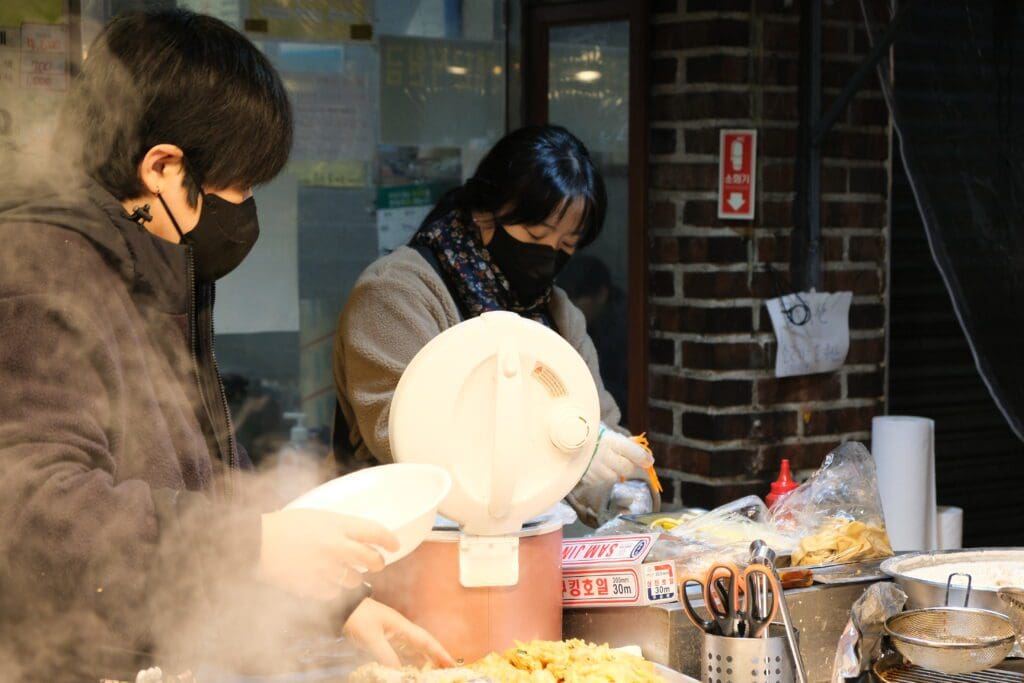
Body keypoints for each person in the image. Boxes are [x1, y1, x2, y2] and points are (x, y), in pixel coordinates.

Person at [0, 10, 451, 680]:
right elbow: (36, 512)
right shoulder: (41, 269)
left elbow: (208, 474)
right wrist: (255, 544)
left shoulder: (153, 266)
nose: (244, 208)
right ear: (162, 167)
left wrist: (339, 601)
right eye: (238, 184)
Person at [333, 125, 659, 527]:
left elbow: (600, 427)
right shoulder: (397, 294)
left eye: (565, 246)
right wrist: (566, 451)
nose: (547, 256)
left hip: (525, 552)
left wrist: (621, 492)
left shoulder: (558, 314)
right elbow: (406, 440)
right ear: (483, 211)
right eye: (536, 234)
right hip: (404, 550)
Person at [557, 255, 630, 424]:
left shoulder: (620, 329)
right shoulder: (587, 321)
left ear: (602, 294)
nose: (570, 307)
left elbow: (621, 395)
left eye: (576, 299)